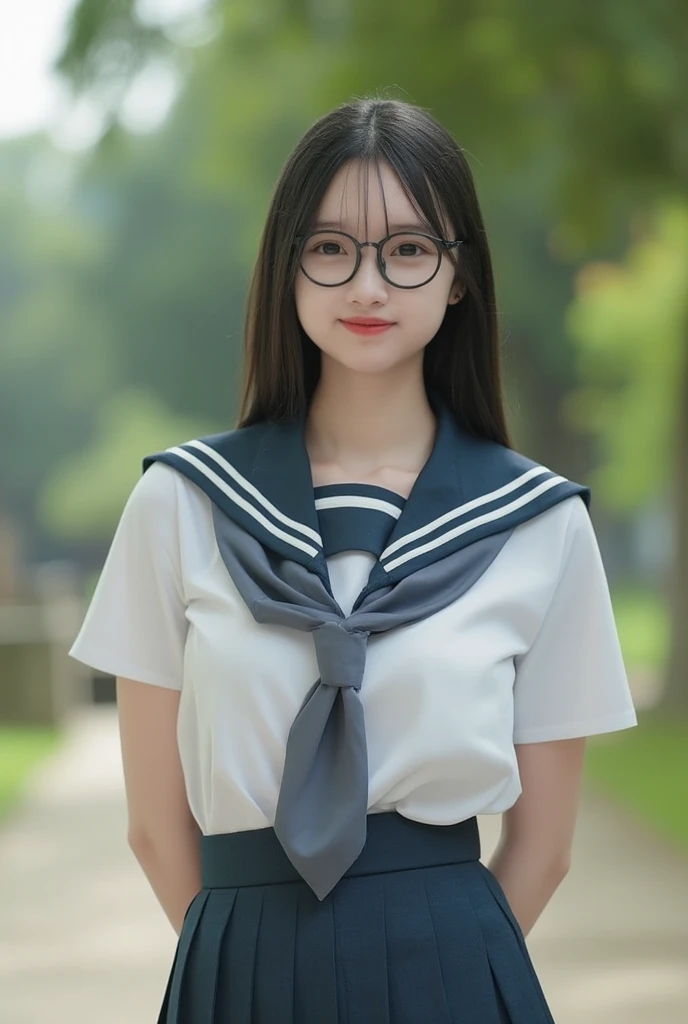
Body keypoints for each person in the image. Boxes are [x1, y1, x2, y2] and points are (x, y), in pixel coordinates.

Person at [69, 96, 638, 1023]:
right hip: (238, 969)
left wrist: (445, 971)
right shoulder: (182, 503)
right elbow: (153, 825)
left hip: (451, 969)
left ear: (459, 278)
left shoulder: (540, 525)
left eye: (409, 250)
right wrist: (243, 966)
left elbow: (544, 846)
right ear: (286, 270)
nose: (367, 288)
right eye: (330, 249)